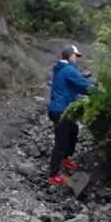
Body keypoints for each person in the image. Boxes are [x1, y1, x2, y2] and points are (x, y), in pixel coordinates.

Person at [47, 44, 94, 185]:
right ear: (70, 55)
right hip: (61, 110)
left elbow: (76, 86)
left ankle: (65, 159)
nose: (77, 59)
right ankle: (53, 175)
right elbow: (84, 86)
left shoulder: (62, 69)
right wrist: (99, 92)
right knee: (61, 142)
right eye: (76, 56)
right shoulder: (68, 70)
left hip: (60, 109)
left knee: (73, 130)